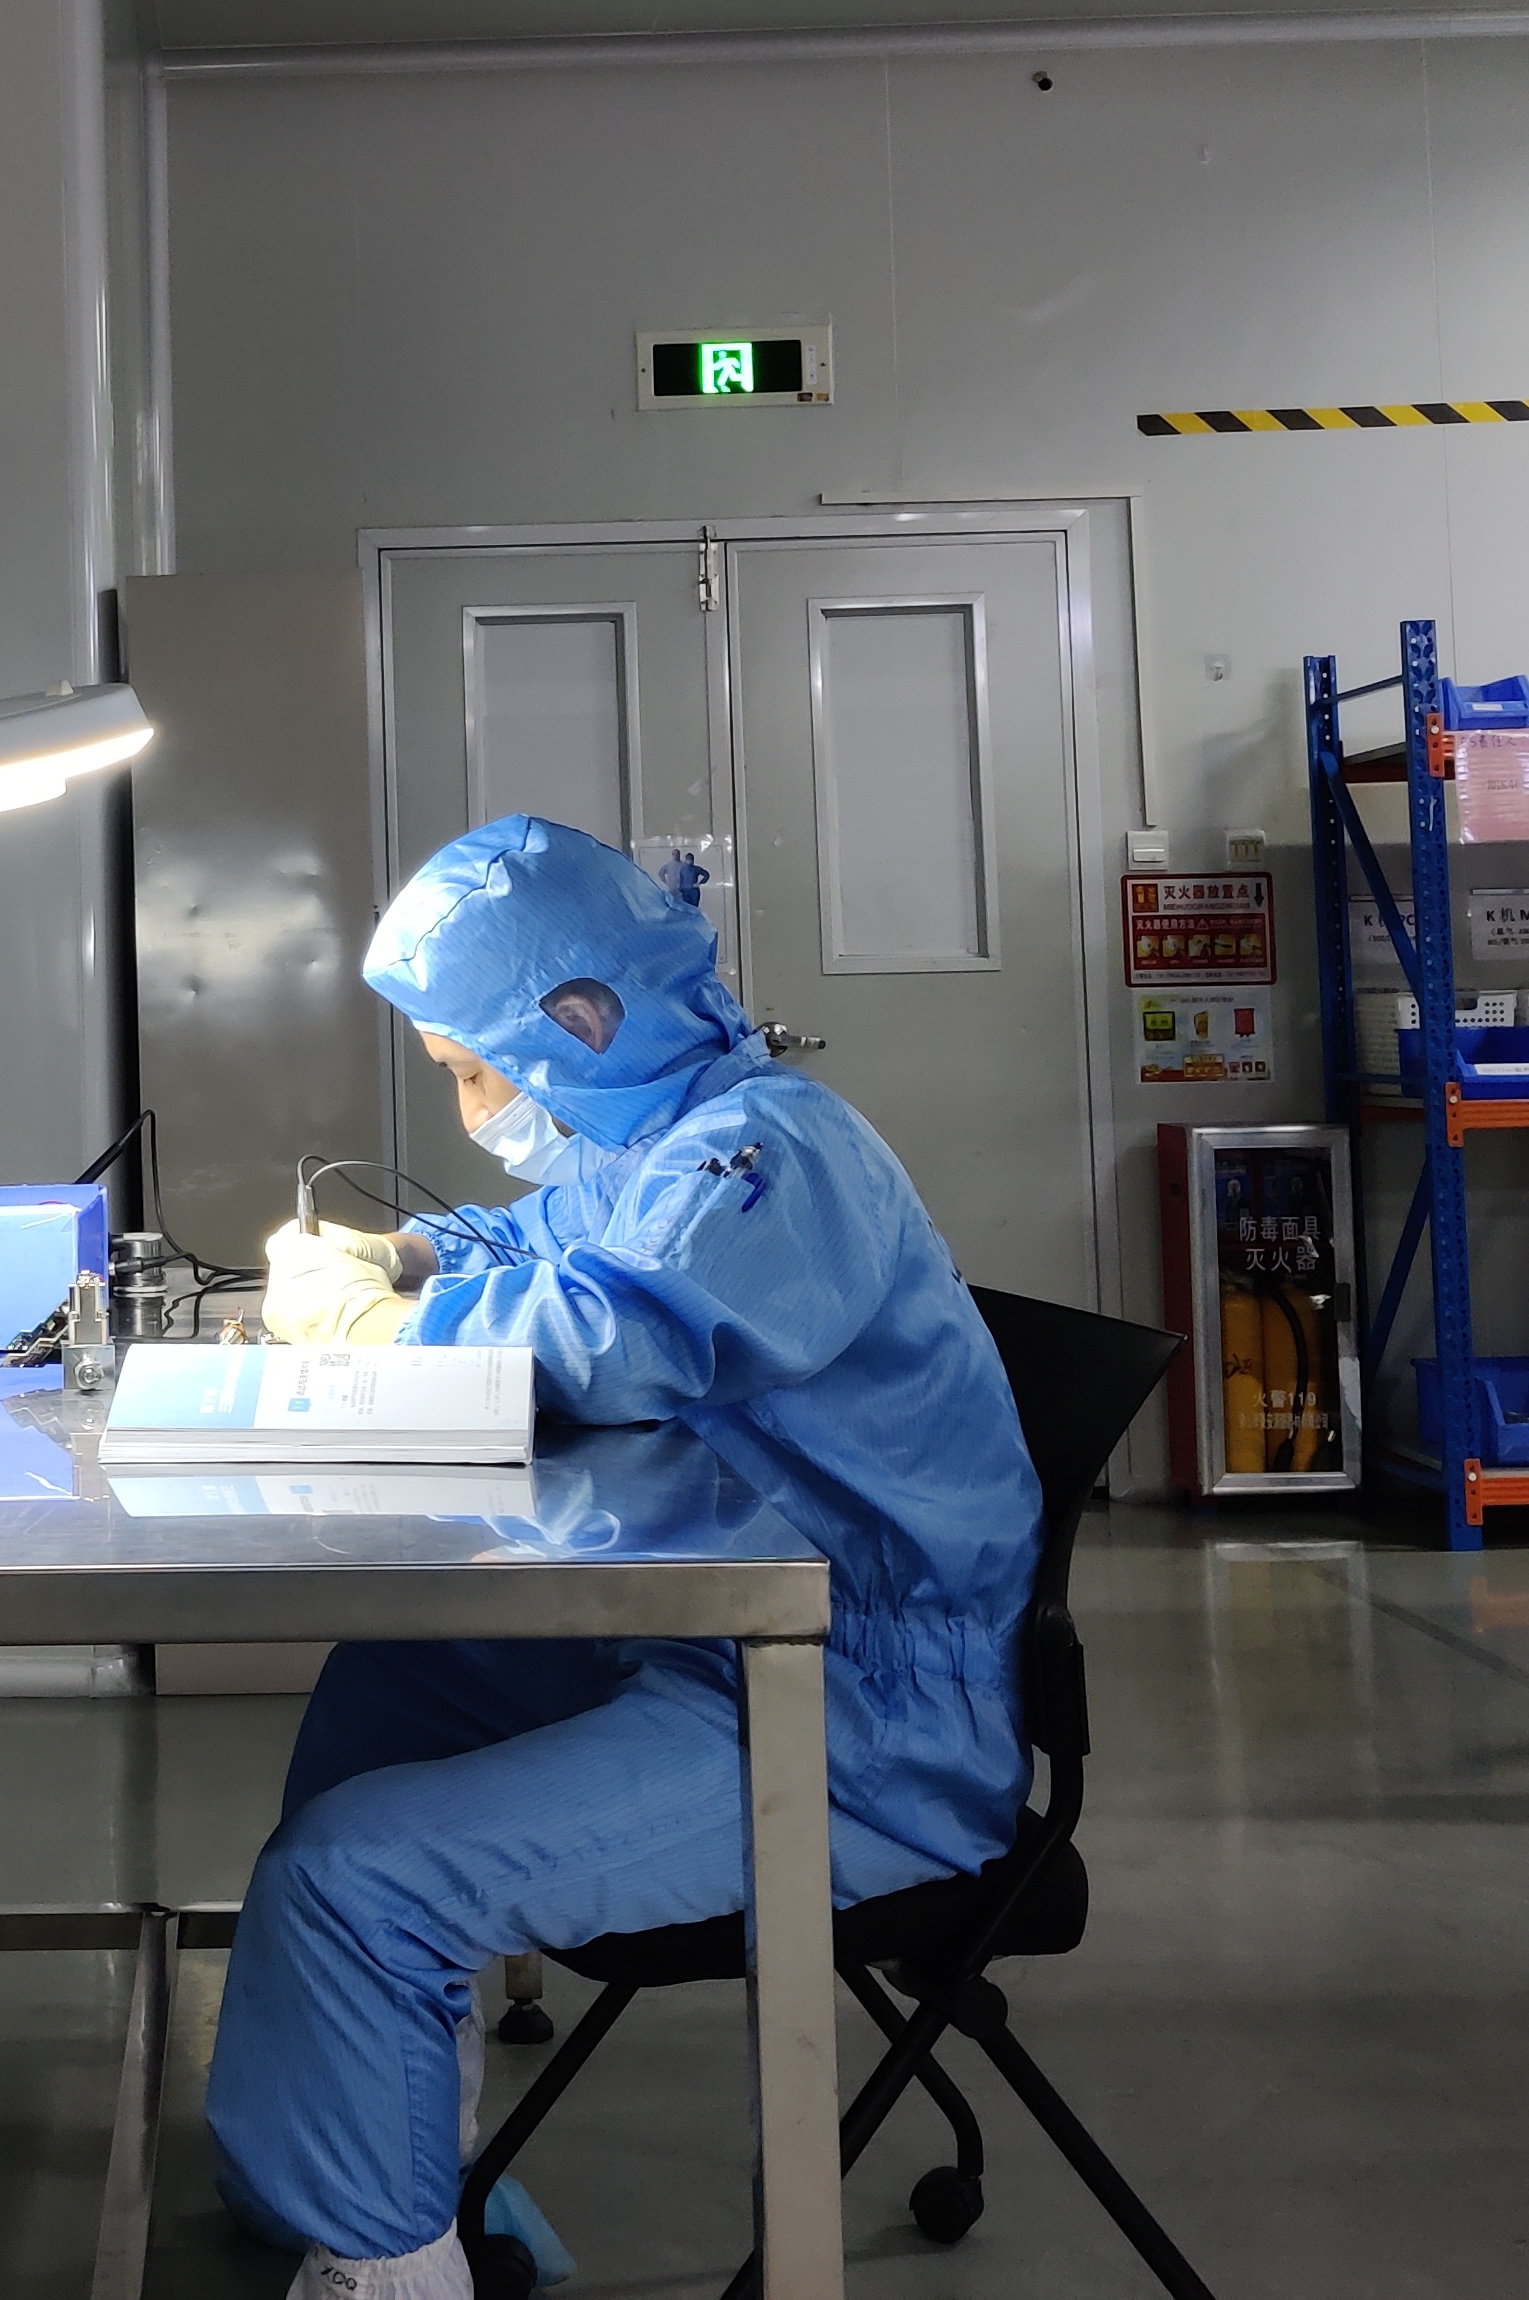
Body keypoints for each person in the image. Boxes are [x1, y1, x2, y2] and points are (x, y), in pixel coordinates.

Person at [204, 816, 1043, 2300]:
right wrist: (402, 1261)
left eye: (475, 1069)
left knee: (354, 1881)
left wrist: (383, 1332)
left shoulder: (776, 1151)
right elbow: (548, 1246)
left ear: (577, 1021)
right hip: (713, 1627)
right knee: (388, 1695)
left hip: (860, 1716)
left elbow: (620, 1331)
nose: (470, 1104)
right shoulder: (663, 1138)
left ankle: (388, 2265)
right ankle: (382, 2147)